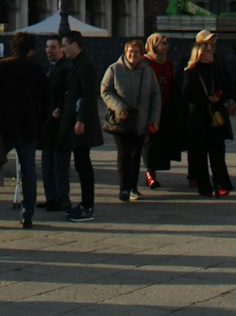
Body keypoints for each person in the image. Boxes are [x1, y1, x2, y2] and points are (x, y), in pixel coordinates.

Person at [0, 31, 50, 228]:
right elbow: (47, 102)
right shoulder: (37, 70)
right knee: (29, 173)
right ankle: (27, 215)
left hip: (1, 128)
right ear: (31, 49)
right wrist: (39, 120)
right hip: (27, 127)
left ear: (12, 46)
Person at [100, 38, 161, 202]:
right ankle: (124, 188)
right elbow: (105, 91)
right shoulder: (114, 69)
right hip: (122, 121)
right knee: (124, 154)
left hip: (141, 121)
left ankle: (133, 187)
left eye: (136, 52)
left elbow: (156, 96)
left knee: (136, 155)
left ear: (142, 54)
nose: (133, 55)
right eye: (130, 52)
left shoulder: (148, 72)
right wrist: (118, 106)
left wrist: (154, 119)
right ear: (125, 53)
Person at [182, 29, 236, 197]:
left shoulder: (217, 67)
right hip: (198, 115)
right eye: (207, 49)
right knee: (199, 152)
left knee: (217, 151)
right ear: (199, 52)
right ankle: (204, 185)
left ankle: (221, 183)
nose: (211, 51)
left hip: (216, 114)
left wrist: (221, 96)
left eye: (212, 48)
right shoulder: (190, 71)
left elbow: (227, 85)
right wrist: (206, 98)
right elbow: (186, 93)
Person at [60, 31, 103, 221]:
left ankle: (88, 206)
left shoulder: (85, 66)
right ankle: (85, 203)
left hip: (81, 124)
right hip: (76, 121)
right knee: (80, 164)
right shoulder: (78, 64)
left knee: (84, 165)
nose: (62, 49)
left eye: (64, 45)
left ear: (75, 45)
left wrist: (81, 120)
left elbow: (88, 95)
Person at [143, 32, 181, 189]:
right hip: (149, 108)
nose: (165, 46)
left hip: (165, 107)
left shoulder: (168, 62)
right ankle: (150, 173)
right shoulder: (145, 62)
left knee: (161, 141)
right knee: (149, 141)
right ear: (153, 45)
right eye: (162, 43)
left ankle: (156, 170)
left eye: (166, 43)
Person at [40, 34, 71, 211]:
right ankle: (51, 196)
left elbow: (67, 92)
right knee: (47, 162)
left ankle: (62, 197)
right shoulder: (48, 67)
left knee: (59, 162)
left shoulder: (65, 67)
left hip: (59, 122)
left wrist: (59, 108)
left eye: (53, 47)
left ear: (61, 49)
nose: (49, 51)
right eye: (47, 47)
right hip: (47, 122)